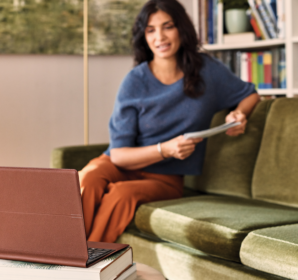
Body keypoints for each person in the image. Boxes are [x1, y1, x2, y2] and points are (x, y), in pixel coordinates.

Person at [79, 0, 260, 243]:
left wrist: (239, 113)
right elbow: (119, 155)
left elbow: (249, 93)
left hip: (165, 179)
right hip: (121, 164)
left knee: (121, 194)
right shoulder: (134, 81)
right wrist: (165, 149)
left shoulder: (207, 71)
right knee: (87, 178)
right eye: (151, 30)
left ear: (181, 29)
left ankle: (89, 261)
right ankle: (61, 254)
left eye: (168, 26)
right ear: (143, 36)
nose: (160, 37)